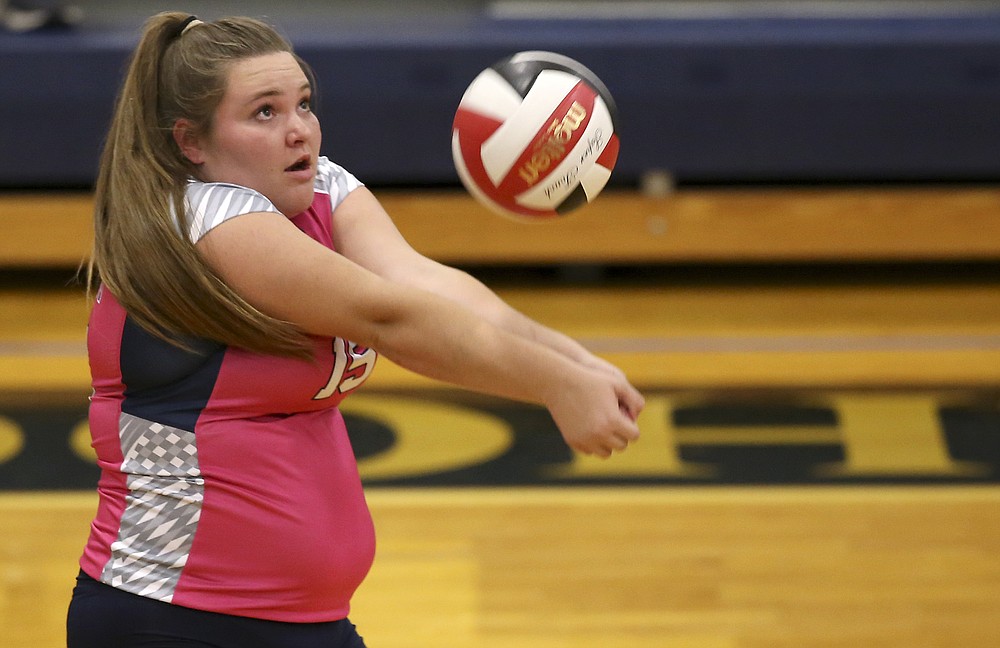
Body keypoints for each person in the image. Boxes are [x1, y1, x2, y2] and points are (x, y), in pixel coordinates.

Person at [66, 12, 644, 648]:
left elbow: (424, 284)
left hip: (298, 622)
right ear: (191, 143)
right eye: (264, 112)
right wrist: (555, 385)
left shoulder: (321, 188)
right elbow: (390, 317)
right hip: (170, 616)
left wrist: (573, 361)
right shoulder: (204, 219)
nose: (298, 130)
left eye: (303, 104)